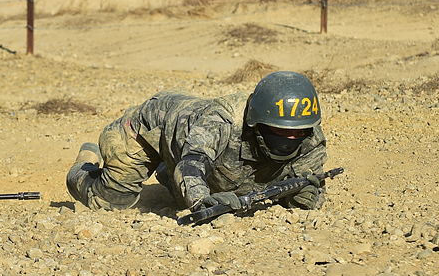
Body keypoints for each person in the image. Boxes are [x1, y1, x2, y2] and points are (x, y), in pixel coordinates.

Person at [66, 71, 327, 214]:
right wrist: (201, 200)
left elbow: (312, 189)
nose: (292, 138)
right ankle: (85, 163)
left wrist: (302, 198)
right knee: (111, 200)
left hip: (184, 140)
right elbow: (191, 166)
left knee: (193, 190)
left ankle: (165, 170)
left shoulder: (310, 136)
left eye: (298, 132)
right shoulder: (222, 121)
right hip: (151, 126)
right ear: (257, 123)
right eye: (279, 132)